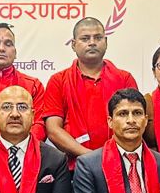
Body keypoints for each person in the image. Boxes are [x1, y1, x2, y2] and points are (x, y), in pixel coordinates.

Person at [42, 17, 138, 165]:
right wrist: (90, 157)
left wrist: (111, 157)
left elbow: (133, 124)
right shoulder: (59, 80)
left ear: (106, 42)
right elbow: (53, 130)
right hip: (75, 166)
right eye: (85, 38)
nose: (92, 42)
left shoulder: (124, 79)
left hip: (120, 163)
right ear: (73, 45)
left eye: (98, 38)